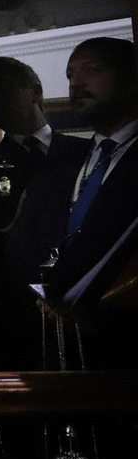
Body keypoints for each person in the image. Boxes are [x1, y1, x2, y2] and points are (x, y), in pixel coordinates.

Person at [0, 56, 83, 371]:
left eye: (3, 89)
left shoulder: (82, 153)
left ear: (36, 92)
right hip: (8, 312)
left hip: (76, 305)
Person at [43, 37, 138, 335]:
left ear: (131, 81)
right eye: (70, 75)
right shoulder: (68, 160)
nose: (77, 83)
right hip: (67, 337)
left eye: (92, 69)